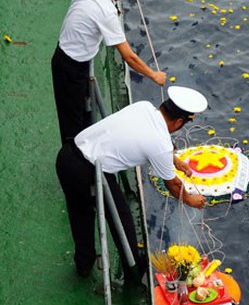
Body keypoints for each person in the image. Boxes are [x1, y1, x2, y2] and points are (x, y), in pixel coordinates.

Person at [56, 86, 208, 280]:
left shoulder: (143, 107)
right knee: (121, 219)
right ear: (179, 122)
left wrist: (175, 161)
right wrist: (191, 200)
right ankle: (133, 272)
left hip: (67, 155)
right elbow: (173, 185)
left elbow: (148, 137)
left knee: (80, 213)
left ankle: (83, 264)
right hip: (88, 171)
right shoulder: (160, 143)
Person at [52, 0, 167, 143]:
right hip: (72, 69)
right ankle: (73, 165)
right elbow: (129, 57)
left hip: (64, 57)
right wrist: (154, 75)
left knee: (84, 114)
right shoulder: (106, 12)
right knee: (72, 125)